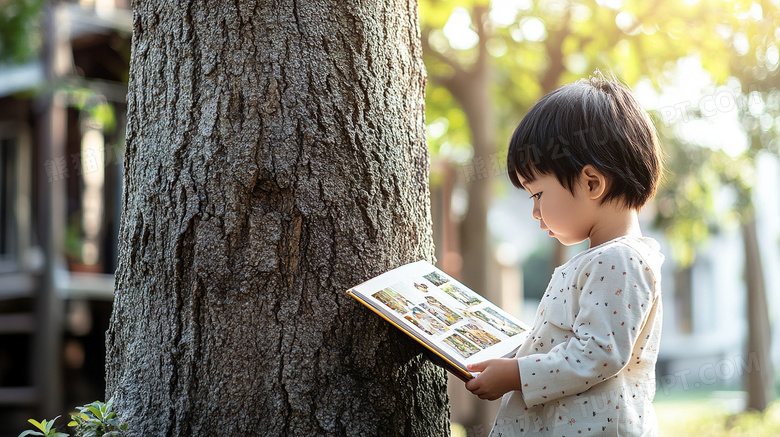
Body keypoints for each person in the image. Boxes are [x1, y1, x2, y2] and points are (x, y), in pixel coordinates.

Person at [465, 71, 665, 436]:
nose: (535, 212)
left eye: (537, 194)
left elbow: (599, 354)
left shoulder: (619, 260)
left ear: (592, 183)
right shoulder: (602, 259)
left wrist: (515, 375)